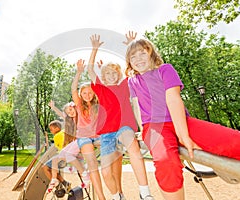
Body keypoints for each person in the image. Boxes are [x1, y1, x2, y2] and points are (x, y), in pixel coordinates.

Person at [125, 33, 240, 200]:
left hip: (180, 121)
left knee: (234, 140)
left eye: (142, 52)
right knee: (166, 162)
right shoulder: (133, 81)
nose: (138, 59)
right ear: (129, 62)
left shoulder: (166, 70)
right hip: (154, 127)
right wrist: (142, 130)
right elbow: (136, 105)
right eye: (133, 56)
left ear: (151, 53)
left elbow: (173, 100)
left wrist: (183, 135)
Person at [87, 34, 154, 200]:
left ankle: (144, 193)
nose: (111, 76)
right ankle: (117, 196)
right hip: (107, 133)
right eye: (107, 73)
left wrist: (130, 44)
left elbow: (132, 66)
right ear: (103, 76)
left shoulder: (125, 85)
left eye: (114, 73)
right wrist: (95, 49)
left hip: (124, 127)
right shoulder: (101, 89)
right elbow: (89, 70)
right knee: (106, 171)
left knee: (133, 149)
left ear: (118, 74)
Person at [72, 59, 106, 200]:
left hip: (98, 137)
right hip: (85, 138)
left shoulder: (98, 104)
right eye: (84, 93)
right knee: (92, 165)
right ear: (81, 95)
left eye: (90, 93)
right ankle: (101, 197)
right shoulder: (79, 105)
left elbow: (102, 88)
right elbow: (73, 88)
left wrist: (99, 71)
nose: (87, 95)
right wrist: (79, 72)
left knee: (111, 160)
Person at [47, 100, 90, 193]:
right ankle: (54, 179)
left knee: (69, 155)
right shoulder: (71, 120)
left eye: (71, 109)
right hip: (77, 141)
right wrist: (53, 107)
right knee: (57, 158)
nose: (70, 112)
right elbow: (62, 115)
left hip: (82, 140)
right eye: (68, 112)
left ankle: (84, 174)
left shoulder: (81, 117)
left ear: (74, 107)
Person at [42, 120, 71, 193]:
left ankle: (57, 185)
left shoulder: (57, 136)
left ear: (57, 128)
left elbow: (59, 147)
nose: (51, 131)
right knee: (52, 169)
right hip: (68, 157)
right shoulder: (64, 132)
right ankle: (65, 183)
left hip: (62, 156)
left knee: (45, 167)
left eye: (51, 129)